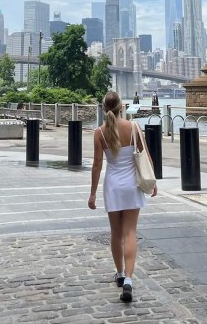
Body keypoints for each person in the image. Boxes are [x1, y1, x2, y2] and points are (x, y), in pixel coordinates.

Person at [88, 91, 157, 303]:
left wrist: (92, 194)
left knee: (115, 233)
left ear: (104, 108)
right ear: (121, 107)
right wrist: (153, 182)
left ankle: (118, 273)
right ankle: (128, 279)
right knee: (130, 233)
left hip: (113, 186)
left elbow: (97, 164)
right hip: (132, 186)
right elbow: (145, 155)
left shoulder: (99, 133)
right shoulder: (134, 127)